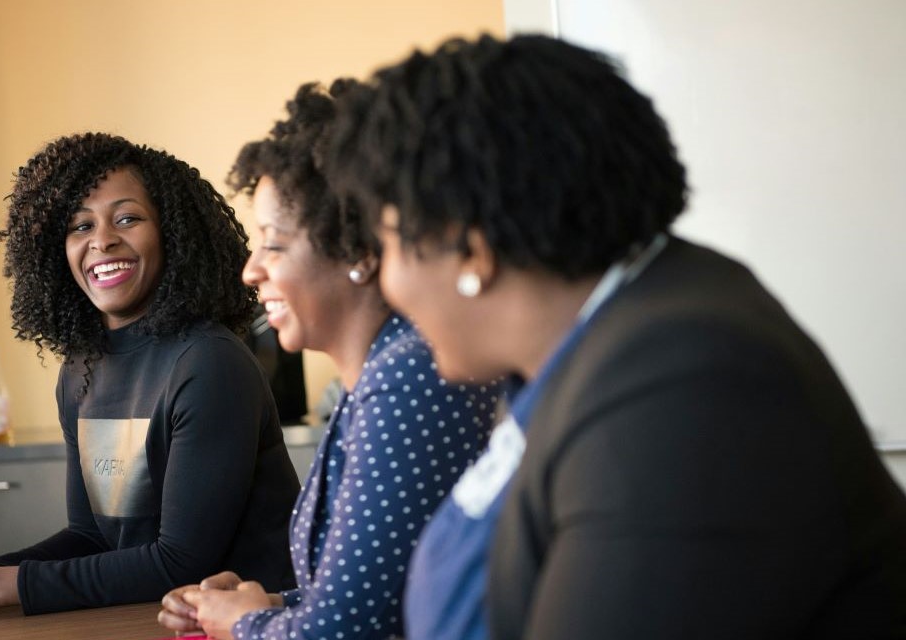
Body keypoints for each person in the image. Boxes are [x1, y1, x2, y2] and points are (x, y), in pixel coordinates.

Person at [326, 34, 906, 639]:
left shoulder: (682, 379)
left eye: (388, 244)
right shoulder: (608, 339)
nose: (387, 284)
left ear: (470, 249)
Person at [156, 81, 502, 640]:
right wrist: (270, 600)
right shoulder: (380, 373)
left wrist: (245, 621)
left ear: (357, 250)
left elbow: (343, 631)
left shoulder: (408, 377)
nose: (250, 270)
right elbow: (384, 589)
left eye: (272, 243)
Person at [0, 133, 301, 620]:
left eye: (128, 218)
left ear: (172, 234)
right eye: (80, 225)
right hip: (143, 619)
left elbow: (179, 561)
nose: (102, 240)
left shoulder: (209, 362)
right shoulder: (80, 369)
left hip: (249, 626)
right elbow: (91, 537)